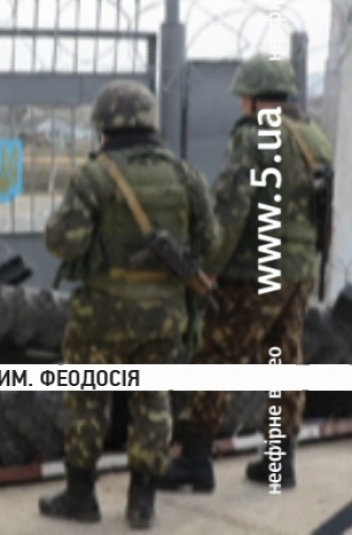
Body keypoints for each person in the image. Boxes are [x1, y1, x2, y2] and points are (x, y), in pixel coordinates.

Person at [39, 81, 219, 529]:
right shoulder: (185, 174)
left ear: (104, 125)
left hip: (103, 314)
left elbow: (64, 242)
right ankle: (142, 504)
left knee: (88, 401)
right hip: (164, 315)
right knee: (152, 403)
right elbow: (211, 241)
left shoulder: (95, 175)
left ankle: (81, 497)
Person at [159, 55, 333, 492]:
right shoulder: (313, 137)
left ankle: (195, 459)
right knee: (285, 358)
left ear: (255, 99)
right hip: (299, 270)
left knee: (219, 358)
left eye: (244, 98)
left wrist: (208, 269)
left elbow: (231, 208)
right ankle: (280, 460)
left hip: (255, 270)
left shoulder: (255, 137)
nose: (241, 106)